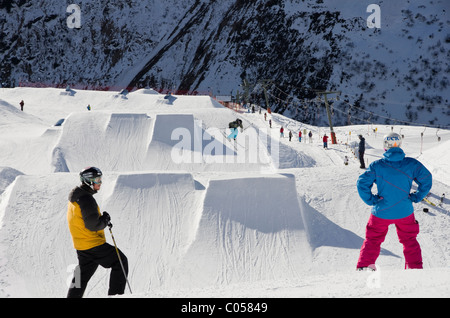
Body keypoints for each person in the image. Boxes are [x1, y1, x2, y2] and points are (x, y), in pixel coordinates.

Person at [356, 133, 432, 271]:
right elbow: (427, 179)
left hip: (381, 212)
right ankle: (414, 269)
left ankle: (365, 267)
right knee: (409, 240)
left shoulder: (377, 166)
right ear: (400, 145)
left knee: (373, 240)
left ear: (385, 147)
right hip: (405, 211)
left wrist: (372, 200)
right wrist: (416, 197)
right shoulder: (412, 164)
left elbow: (362, 184)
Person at [67, 167, 128, 297]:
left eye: (100, 179)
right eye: (97, 180)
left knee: (81, 276)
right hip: (92, 244)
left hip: (82, 246)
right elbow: (93, 225)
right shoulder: (86, 199)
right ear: (89, 181)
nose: (100, 182)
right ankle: (116, 295)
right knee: (120, 261)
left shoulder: (76, 197)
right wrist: (105, 220)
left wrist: (102, 219)